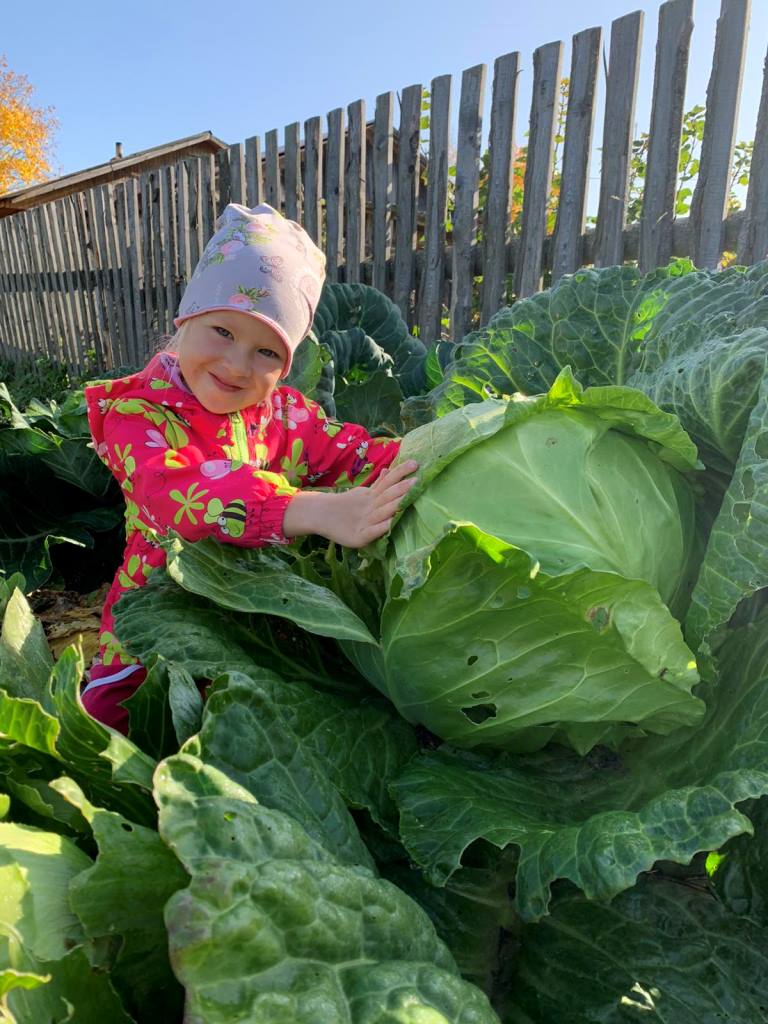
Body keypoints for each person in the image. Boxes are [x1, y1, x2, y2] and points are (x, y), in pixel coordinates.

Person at [82, 202, 418, 735]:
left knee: (246, 733)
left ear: (286, 366)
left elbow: (350, 455)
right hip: (158, 609)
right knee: (113, 727)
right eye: (222, 331)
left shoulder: (283, 414)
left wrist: (427, 455)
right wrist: (310, 510)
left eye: (267, 352)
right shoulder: (136, 414)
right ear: (186, 320)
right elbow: (176, 496)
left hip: (256, 616)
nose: (237, 365)